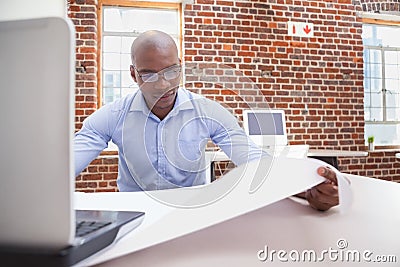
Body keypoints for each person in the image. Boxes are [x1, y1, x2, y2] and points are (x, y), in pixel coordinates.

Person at [74, 30, 339, 211]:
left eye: (171, 71)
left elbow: (255, 161)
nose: (163, 84)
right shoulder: (113, 116)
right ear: (133, 75)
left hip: (192, 213)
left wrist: (305, 191)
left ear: (181, 66)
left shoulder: (208, 112)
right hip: (135, 213)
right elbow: (65, 165)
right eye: (149, 75)